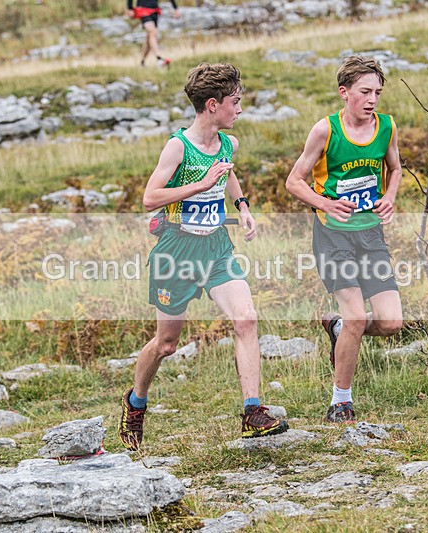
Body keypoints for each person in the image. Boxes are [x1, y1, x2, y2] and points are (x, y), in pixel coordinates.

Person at [119, 63, 289, 450]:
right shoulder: (178, 145)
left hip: (216, 246)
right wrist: (201, 184)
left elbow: (227, 174)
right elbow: (150, 199)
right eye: (236, 102)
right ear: (213, 105)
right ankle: (135, 404)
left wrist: (243, 205)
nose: (240, 109)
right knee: (166, 343)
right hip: (177, 250)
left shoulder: (229, 143)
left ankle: (252, 412)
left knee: (246, 319)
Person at [285, 55, 404, 423]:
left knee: (390, 323)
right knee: (356, 317)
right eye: (365, 92)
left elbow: (396, 168)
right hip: (333, 235)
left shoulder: (386, 127)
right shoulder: (325, 130)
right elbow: (294, 181)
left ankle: (337, 327)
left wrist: (389, 197)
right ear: (344, 92)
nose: (372, 100)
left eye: (377, 93)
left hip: (370, 234)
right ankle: (341, 402)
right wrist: (325, 204)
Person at [126, 0, 181, 67]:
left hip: (154, 10)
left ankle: (142, 62)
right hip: (143, 10)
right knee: (152, 32)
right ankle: (159, 59)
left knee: (149, 37)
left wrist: (175, 9)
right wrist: (130, 8)